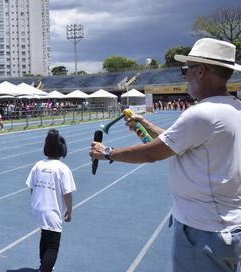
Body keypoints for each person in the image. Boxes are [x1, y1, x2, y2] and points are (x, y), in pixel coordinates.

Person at [90, 38, 241, 272]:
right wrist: (145, 123)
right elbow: (180, 142)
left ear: (200, 71)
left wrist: (107, 152)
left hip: (203, 231)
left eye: (186, 70)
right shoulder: (233, 108)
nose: (185, 77)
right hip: (227, 229)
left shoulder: (202, 114)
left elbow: (153, 153)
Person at [26, 129, 75, 272]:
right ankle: (46, 269)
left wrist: (36, 201)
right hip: (52, 211)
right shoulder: (63, 169)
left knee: (45, 236)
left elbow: (31, 187)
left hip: (38, 207)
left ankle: (43, 265)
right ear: (62, 151)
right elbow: (67, 194)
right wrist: (69, 211)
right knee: (53, 245)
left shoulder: (38, 165)